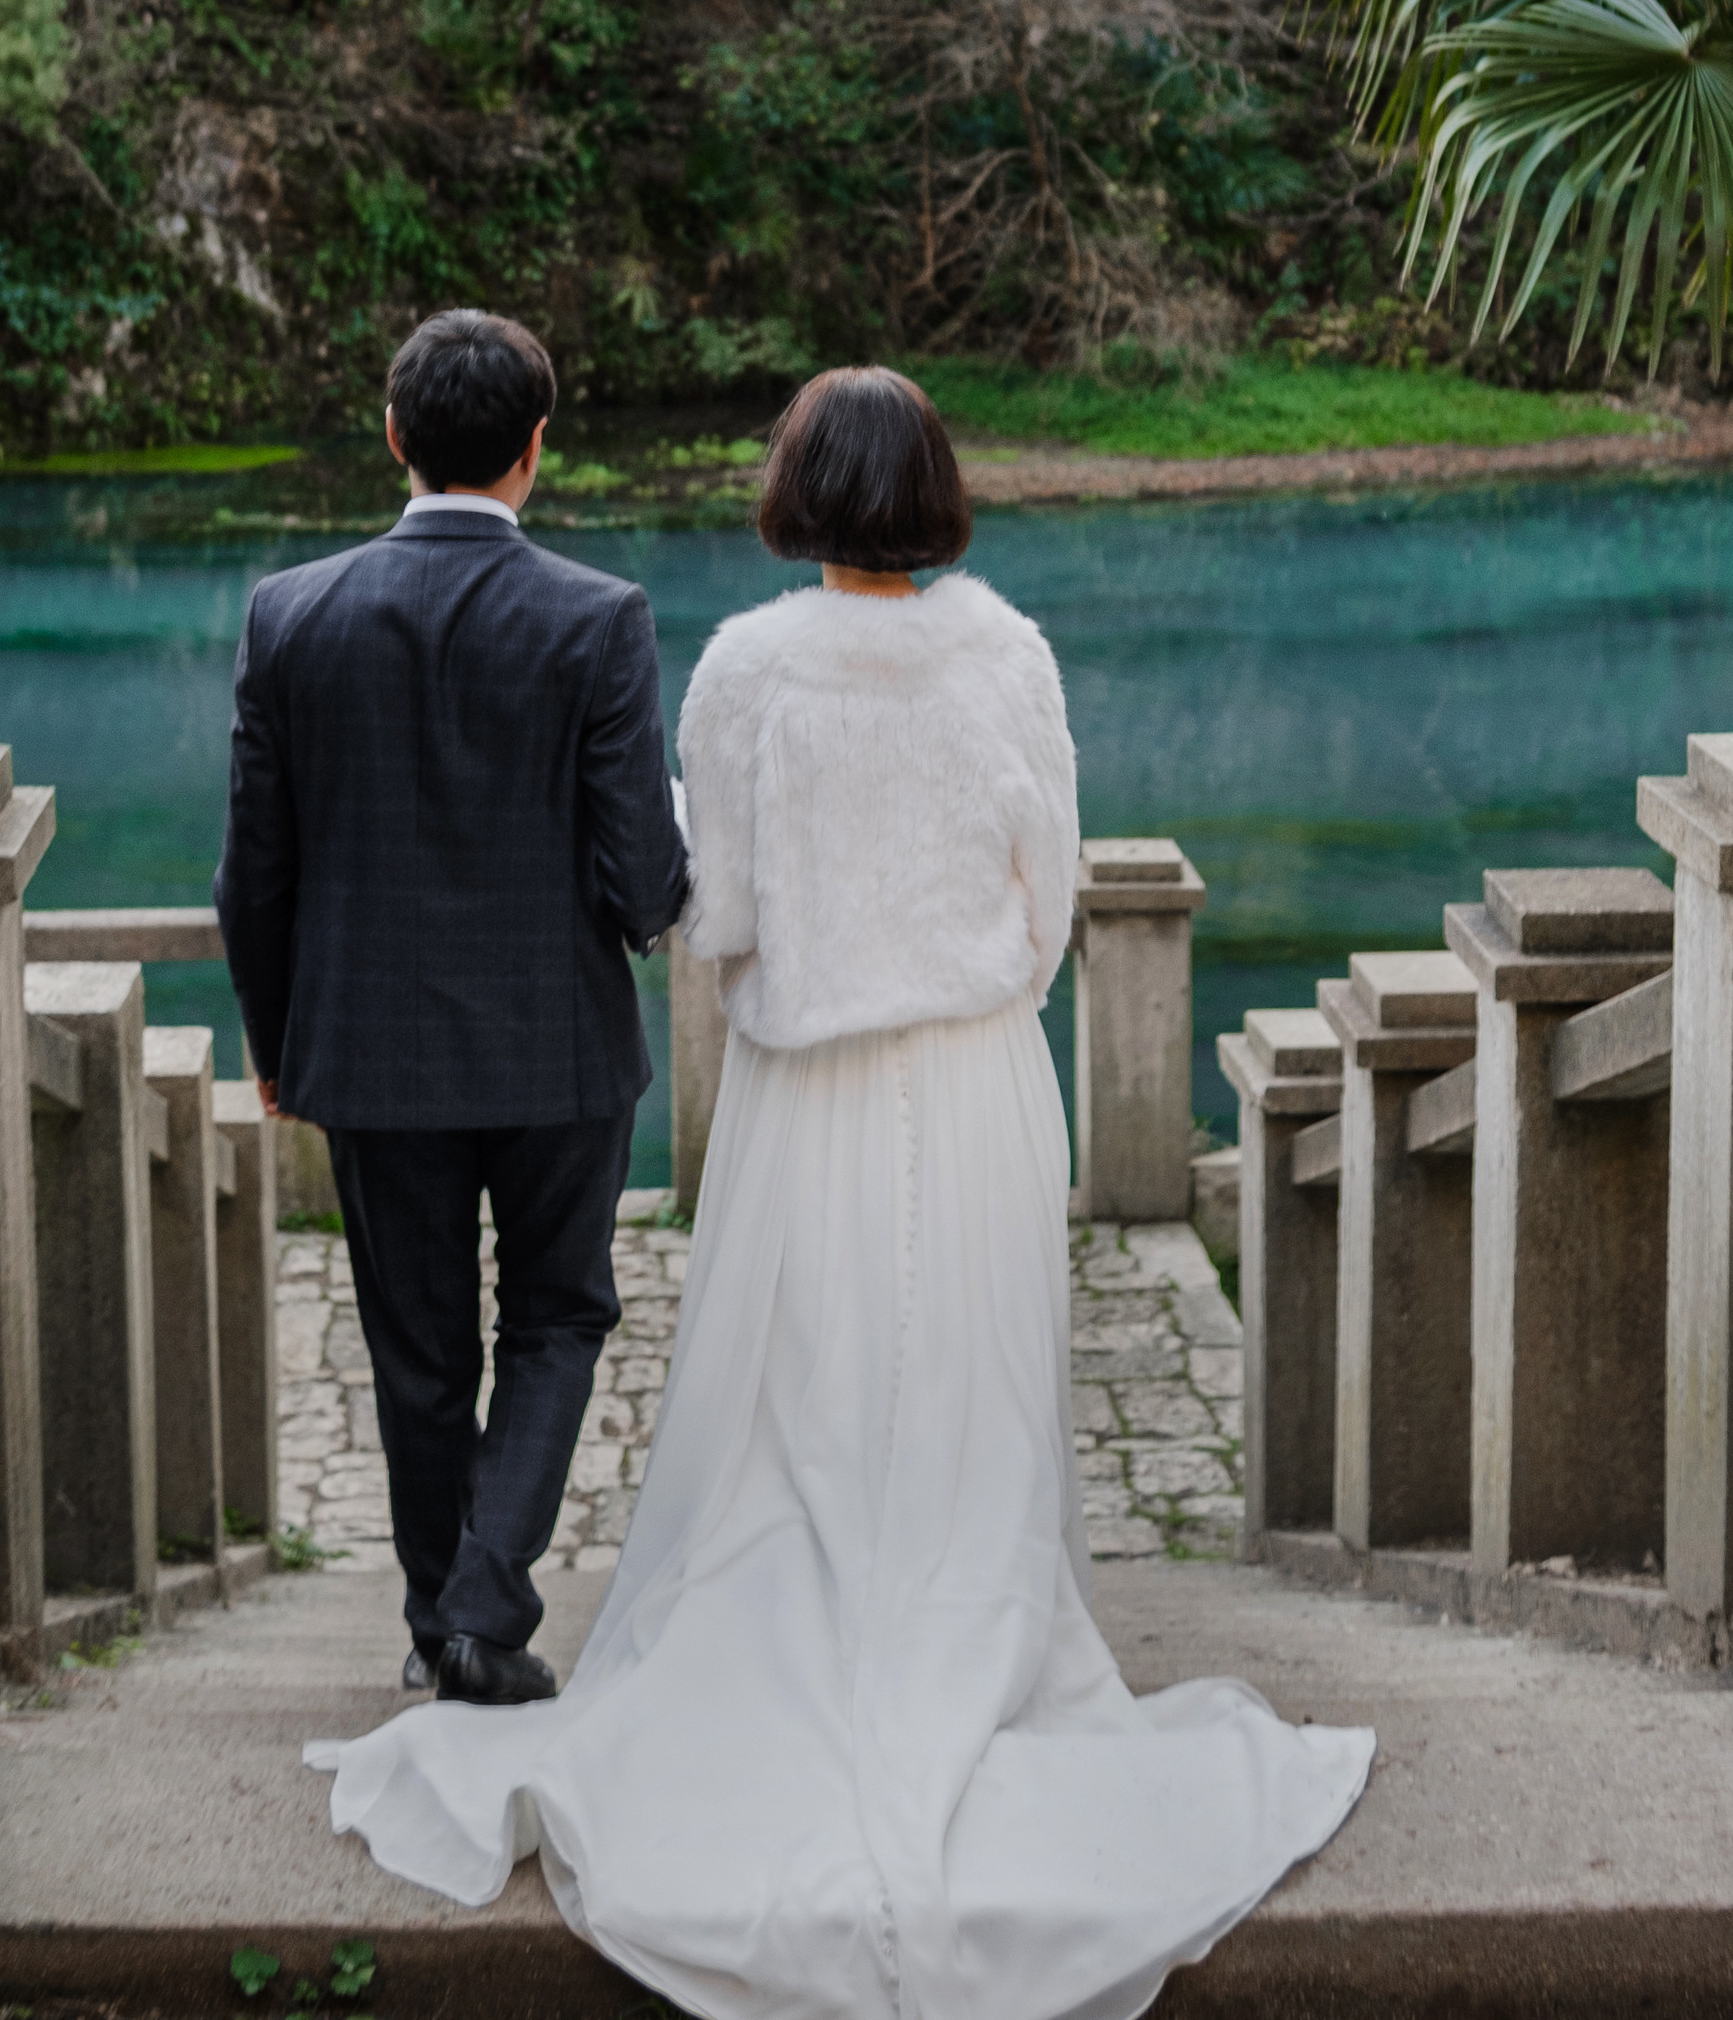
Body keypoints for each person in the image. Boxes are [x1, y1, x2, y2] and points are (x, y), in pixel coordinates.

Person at [308, 364, 1372, 2017]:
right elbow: (1054, 897)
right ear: (937, 490)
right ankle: (970, 1648)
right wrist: (975, 985)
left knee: (795, 1398)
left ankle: (775, 1661)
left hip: (803, 1092)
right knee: (967, 1389)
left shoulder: (743, 669)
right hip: (972, 1078)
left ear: (797, 490)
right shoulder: (1008, 654)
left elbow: (708, 913)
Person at [216, 305, 689, 1704]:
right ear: (537, 451)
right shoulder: (601, 621)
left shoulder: (288, 615)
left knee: (417, 1352)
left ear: (393, 434)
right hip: (560, 1054)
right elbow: (642, 880)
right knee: (557, 1320)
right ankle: (484, 1613)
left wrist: (276, 1044)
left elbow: (255, 879)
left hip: (365, 1053)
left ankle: (442, 1626)